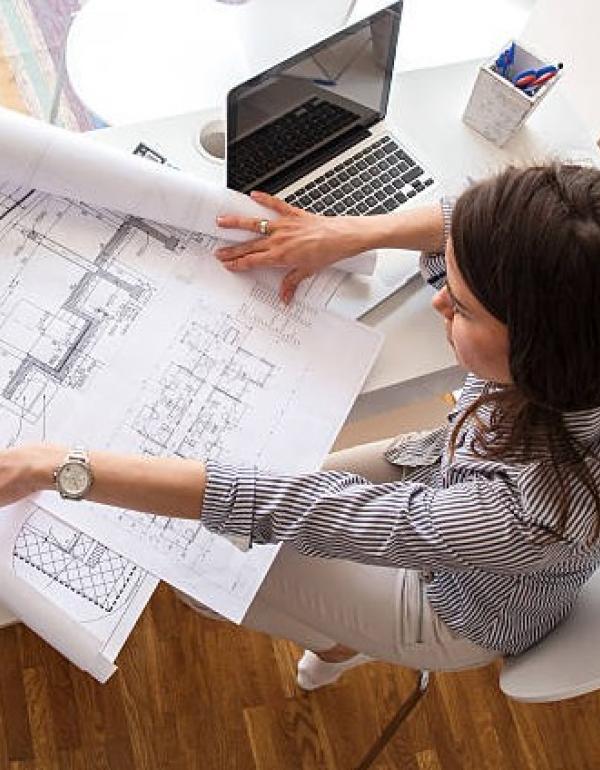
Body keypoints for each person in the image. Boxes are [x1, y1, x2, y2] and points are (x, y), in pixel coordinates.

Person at [1, 163, 600, 690]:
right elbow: (466, 222)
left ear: (539, 353)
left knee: (204, 569)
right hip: (439, 467)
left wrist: (55, 467)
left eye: (463, 307)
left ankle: (340, 644)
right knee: (218, 537)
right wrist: (347, 233)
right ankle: (335, 631)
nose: (440, 298)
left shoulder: (535, 512)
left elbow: (291, 507)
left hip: (451, 605)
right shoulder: (582, 281)